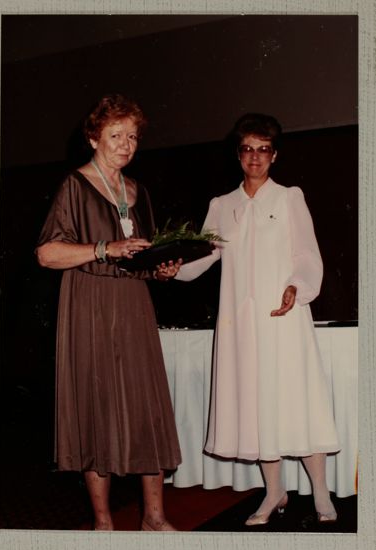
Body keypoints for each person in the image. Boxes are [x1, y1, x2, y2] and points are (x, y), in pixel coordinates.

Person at [175, 113, 340, 525]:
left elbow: (307, 255)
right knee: (256, 406)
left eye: (263, 149)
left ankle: (320, 492)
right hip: (241, 328)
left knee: (295, 403)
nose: (255, 157)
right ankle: (274, 492)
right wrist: (172, 268)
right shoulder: (222, 205)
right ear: (238, 154)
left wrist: (295, 287)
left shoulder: (289, 198)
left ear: (274, 155)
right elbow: (203, 256)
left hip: (283, 321)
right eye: (247, 148)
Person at [36, 93, 182, 531]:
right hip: (90, 306)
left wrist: (162, 268)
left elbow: (143, 255)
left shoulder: (138, 191)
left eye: (133, 136)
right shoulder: (74, 186)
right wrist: (104, 248)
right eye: (116, 135)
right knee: (95, 409)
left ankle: (154, 518)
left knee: (148, 407)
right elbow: (46, 253)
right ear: (94, 138)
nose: (126, 144)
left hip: (134, 304)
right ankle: (103, 523)